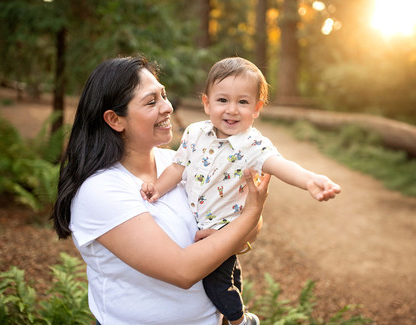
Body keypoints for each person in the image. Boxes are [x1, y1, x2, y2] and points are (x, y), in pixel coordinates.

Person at [51, 56, 271, 325]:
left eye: (163, 95)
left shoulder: (176, 163)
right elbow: (182, 270)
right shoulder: (100, 190)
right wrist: (249, 216)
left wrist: (243, 225)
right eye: (151, 101)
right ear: (115, 120)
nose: (167, 107)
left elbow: (246, 223)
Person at [140, 57, 341, 325]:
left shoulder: (252, 144)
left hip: (222, 231)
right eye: (222, 100)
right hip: (200, 228)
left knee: (216, 285)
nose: (232, 110)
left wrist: (309, 180)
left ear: (256, 108)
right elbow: (177, 168)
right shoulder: (194, 133)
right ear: (206, 103)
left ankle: (240, 321)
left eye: (243, 102)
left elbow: (279, 165)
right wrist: (157, 188)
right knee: (228, 276)